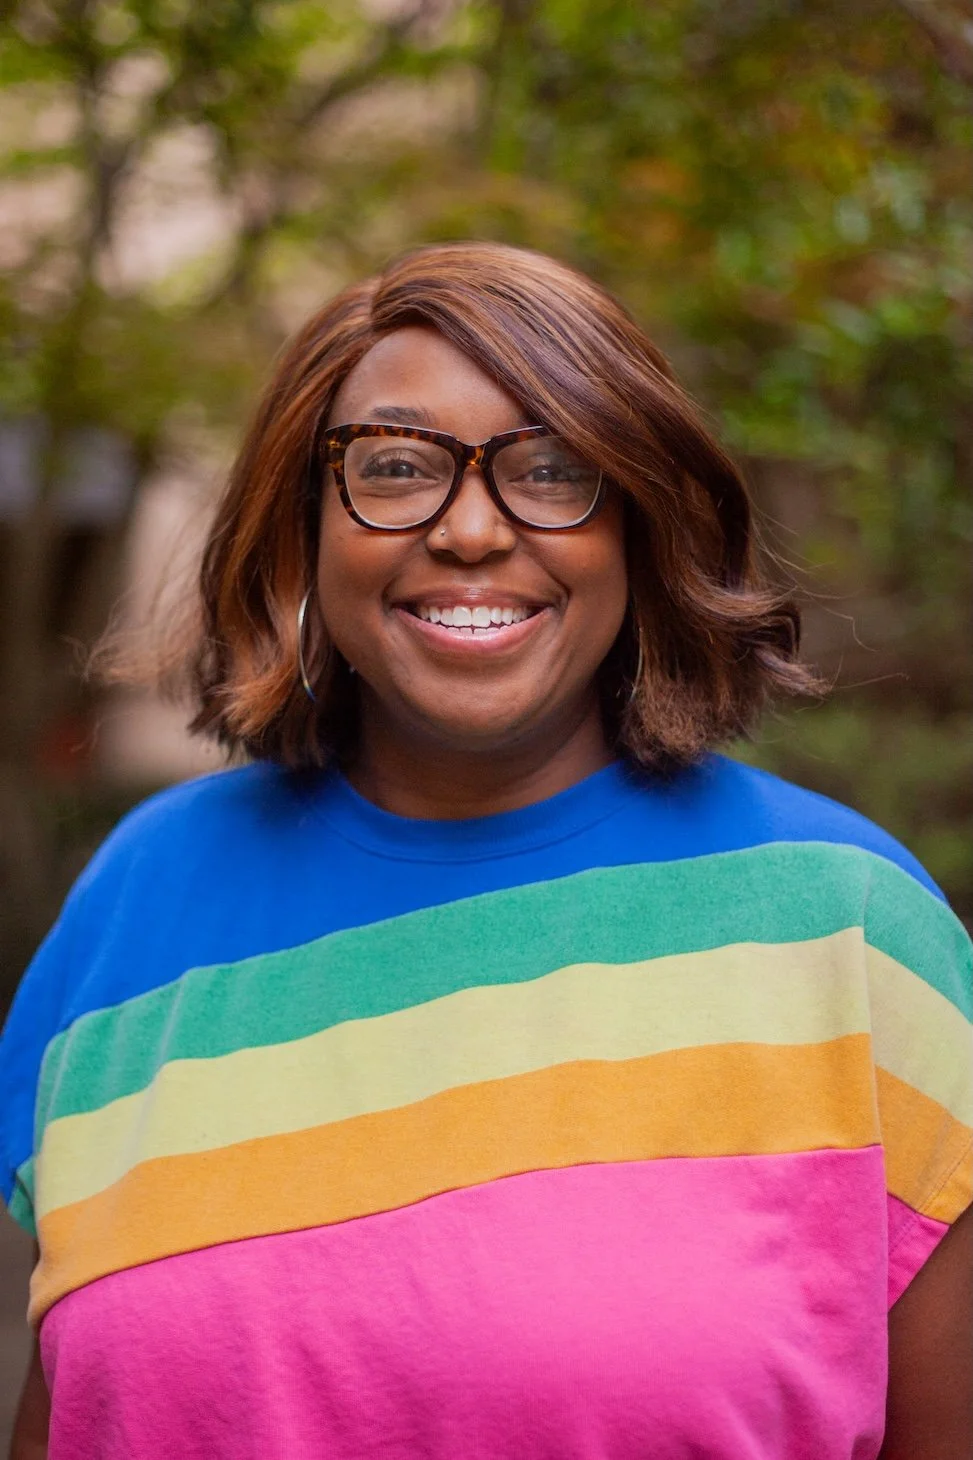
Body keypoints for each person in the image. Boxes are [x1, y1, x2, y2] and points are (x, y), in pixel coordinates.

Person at [2, 241, 970, 1460]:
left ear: (639, 520)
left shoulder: (847, 930)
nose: (470, 528)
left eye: (552, 468)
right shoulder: (138, 898)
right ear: (303, 527)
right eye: (395, 467)